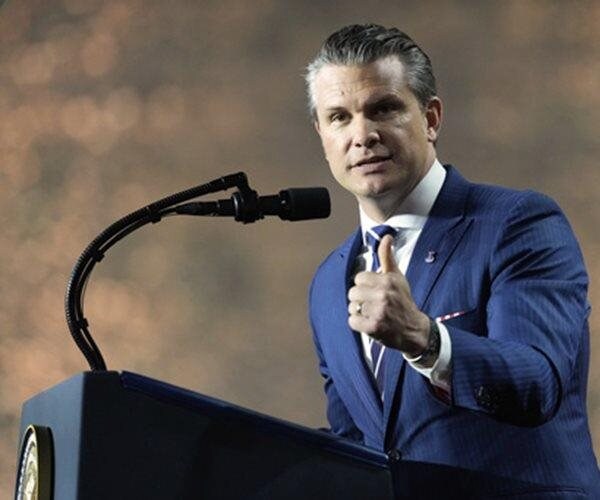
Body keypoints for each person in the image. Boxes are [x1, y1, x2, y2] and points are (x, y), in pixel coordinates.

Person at [306, 23, 600, 496]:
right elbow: (360, 448)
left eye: (383, 109)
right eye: (339, 117)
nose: (362, 135)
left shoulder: (516, 223)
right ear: (321, 134)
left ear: (431, 118)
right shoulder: (327, 285)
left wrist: (424, 338)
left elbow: (537, 383)